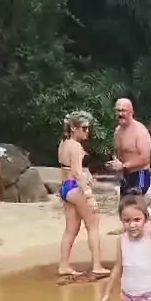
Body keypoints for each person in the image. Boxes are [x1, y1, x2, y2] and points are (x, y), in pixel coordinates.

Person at [58, 110, 109, 278]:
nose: (87, 131)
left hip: (65, 187)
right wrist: (89, 195)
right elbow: (77, 172)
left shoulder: (64, 143)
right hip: (75, 188)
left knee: (70, 230)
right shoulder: (75, 146)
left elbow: (67, 169)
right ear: (73, 128)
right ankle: (97, 265)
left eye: (88, 128)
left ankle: (64, 265)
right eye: (84, 128)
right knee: (93, 224)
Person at [107, 98, 151, 198]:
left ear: (131, 112)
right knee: (124, 204)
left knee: (135, 201)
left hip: (140, 174)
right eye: (118, 110)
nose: (120, 114)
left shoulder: (140, 131)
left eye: (123, 110)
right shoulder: (117, 131)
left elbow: (145, 158)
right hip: (126, 174)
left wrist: (123, 166)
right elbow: (118, 153)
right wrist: (115, 163)